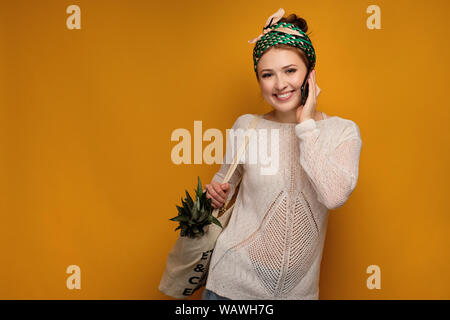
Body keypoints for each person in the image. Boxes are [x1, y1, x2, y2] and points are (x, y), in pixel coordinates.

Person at [202, 8, 362, 300]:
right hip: (230, 287)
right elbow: (223, 183)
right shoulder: (246, 127)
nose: (280, 84)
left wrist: (306, 126)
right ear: (259, 80)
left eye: (290, 70)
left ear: (310, 74)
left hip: (298, 294)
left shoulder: (343, 132)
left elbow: (334, 195)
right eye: (267, 74)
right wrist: (214, 192)